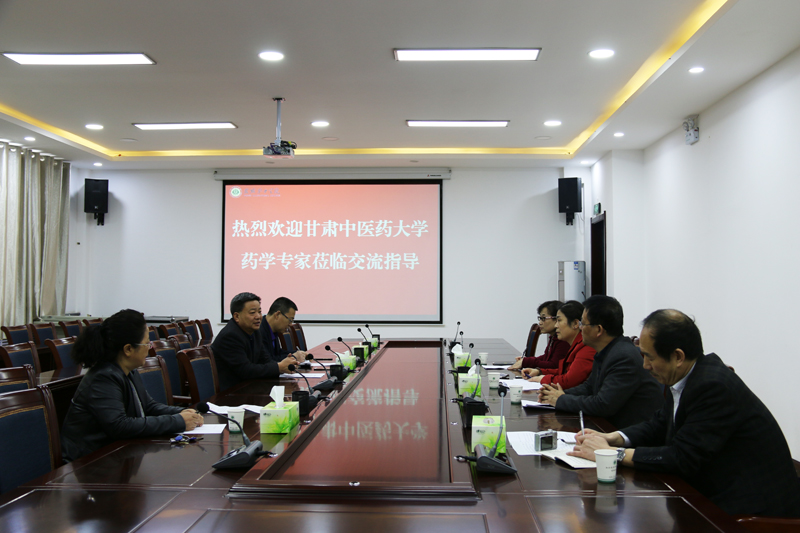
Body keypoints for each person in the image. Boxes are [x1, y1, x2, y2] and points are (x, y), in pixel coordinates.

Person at [569, 309, 800, 517]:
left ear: (678, 357)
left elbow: (682, 458)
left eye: (650, 357)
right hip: (713, 494)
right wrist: (613, 438)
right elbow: (658, 424)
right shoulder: (687, 376)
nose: (645, 366)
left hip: (752, 511)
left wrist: (612, 454)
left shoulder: (712, 386)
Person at [61, 309, 204, 462]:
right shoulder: (103, 378)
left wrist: (184, 413)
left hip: (117, 454)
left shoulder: (128, 370)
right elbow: (120, 426)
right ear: (128, 349)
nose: (150, 347)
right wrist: (178, 421)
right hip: (89, 462)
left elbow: (148, 407)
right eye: (146, 343)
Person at [538, 295, 663, 429]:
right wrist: (557, 393)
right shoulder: (606, 350)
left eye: (583, 324)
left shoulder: (623, 357)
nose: (580, 328)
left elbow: (603, 405)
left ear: (598, 330)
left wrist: (561, 399)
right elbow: (589, 387)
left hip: (628, 433)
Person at [212, 292, 298, 391]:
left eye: (259, 312)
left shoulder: (255, 332)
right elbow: (245, 370)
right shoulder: (230, 336)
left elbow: (265, 359)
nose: (258, 316)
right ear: (236, 316)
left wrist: (284, 366)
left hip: (249, 387)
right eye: (252, 313)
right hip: (231, 392)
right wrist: (278, 367)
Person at [522, 300, 595, 389]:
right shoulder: (575, 344)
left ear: (575, 324)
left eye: (559, 320)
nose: (556, 325)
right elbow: (564, 371)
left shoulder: (586, 347)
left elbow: (569, 381)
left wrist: (544, 378)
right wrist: (540, 372)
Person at [507, 300, 570, 371]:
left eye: (543, 318)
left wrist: (527, 362)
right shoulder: (553, 337)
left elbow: (554, 365)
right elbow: (546, 357)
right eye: (540, 318)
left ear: (556, 319)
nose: (540, 323)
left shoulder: (563, 340)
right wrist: (525, 360)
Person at [259, 297, 309, 363]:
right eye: (290, 320)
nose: (290, 324)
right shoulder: (259, 331)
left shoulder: (272, 329)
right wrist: (294, 357)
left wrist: (298, 353)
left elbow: (278, 353)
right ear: (277, 315)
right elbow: (268, 361)